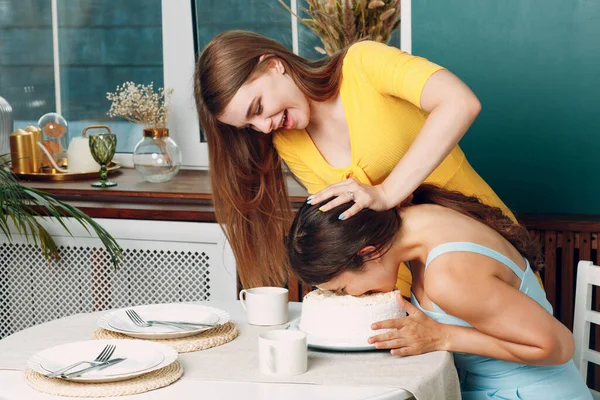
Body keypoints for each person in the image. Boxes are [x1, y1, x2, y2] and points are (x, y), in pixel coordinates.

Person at [194, 30, 526, 293]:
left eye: (257, 108)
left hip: (481, 259)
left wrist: (386, 193)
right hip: (410, 294)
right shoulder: (288, 142)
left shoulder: (363, 63)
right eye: (250, 126)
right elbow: (356, 234)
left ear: (273, 64)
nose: (263, 127)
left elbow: (460, 103)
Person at [286, 185, 590, 400]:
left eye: (342, 288)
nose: (351, 295)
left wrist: (443, 337)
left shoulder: (447, 279)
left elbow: (559, 346)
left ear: (368, 251)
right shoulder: (423, 216)